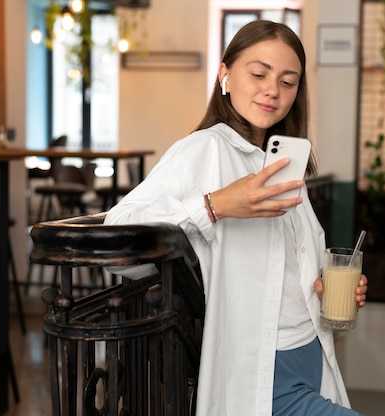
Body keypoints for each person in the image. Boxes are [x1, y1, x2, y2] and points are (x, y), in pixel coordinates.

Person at [104, 20, 368, 416]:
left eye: (288, 81)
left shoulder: (282, 162)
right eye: (258, 73)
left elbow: (286, 265)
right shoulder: (202, 150)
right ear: (225, 75)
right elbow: (118, 232)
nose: (272, 91)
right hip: (265, 370)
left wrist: (325, 286)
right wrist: (216, 205)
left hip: (311, 352)